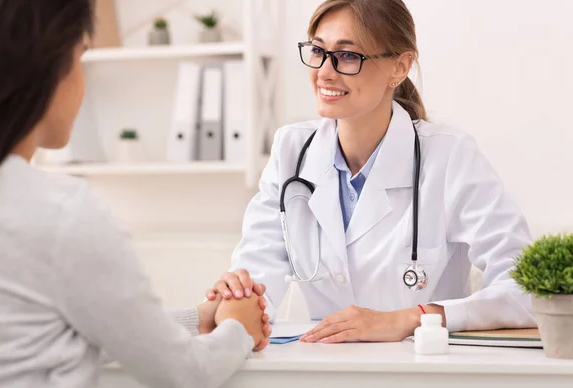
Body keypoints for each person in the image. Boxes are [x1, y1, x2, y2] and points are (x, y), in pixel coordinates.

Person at [0, 1, 270, 387]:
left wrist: (200, 317)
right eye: (81, 57)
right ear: (47, 69)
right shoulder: (63, 214)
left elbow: (66, 329)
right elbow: (184, 373)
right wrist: (238, 329)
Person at [206, 0, 536, 344]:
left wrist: (413, 319)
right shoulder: (291, 150)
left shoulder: (450, 155)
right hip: (323, 363)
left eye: (348, 56)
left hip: (425, 369)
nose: (325, 72)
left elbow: (527, 289)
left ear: (400, 67)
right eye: (318, 51)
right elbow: (256, 280)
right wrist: (236, 295)